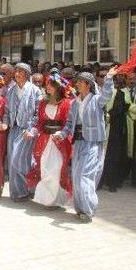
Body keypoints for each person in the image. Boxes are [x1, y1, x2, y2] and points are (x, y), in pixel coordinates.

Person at [53, 67, 118, 222]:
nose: (77, 84)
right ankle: (80, 208)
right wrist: (61, 134)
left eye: (81, 82)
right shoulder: (75, 103)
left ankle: (88, 209)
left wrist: (109, 78)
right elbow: (69, 124)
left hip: (93, 142)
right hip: (79, 142)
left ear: (88, 84)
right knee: (76, 176)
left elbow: (107, 95)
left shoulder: (97, 100)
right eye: (77, 82)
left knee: (85, 176)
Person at [28, 71, 73, 207]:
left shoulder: (66, 104)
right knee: (45, 169)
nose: (47, 87)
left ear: (59, 87)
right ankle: (47, 199)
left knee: (56, 170)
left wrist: (60, 134)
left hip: (59, 142)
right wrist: (33, 131)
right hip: (44, 141)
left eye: (51, 85)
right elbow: (40, 123)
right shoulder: (42, 103)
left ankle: (55, 199)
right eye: (47, 84)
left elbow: (68, 124)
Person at [3, 63, 42, 201]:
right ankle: (19, 192)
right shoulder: (11, 90)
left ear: (26, 74)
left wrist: (32, 129)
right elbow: (7, 111)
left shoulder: (35, 90)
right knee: (13, 160)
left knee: (20, 160)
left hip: (27, 130)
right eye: (16, 71)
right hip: (14, 129)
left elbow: (38, 113)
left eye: (20, 72)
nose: (17, 74)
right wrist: (5, 123)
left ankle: (28, 187)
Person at [101, 74, 128, 192]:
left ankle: (112, 182)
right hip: (101, 129)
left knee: (113, 156)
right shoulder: (98, 94)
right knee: (101, 156)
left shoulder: (120, 94)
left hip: (114, 130)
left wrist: (107, 116)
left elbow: (119, 109)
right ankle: (100, 181)